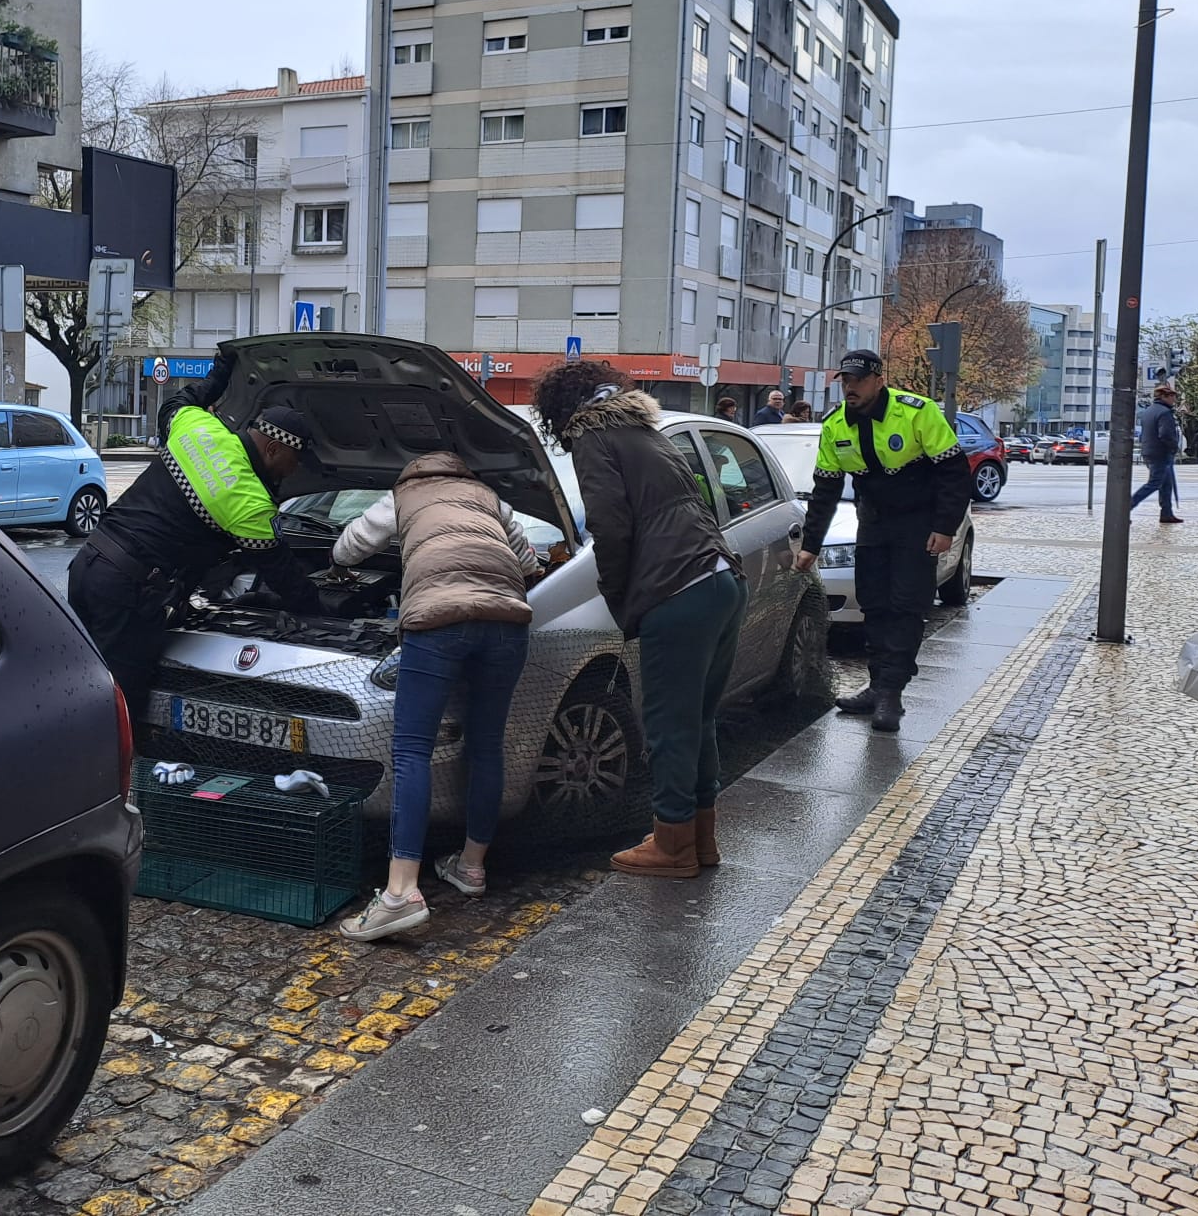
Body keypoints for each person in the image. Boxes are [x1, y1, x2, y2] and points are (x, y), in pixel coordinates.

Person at [531, 360, 746, 877]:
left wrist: (618, 594)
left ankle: (672, 847)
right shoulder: (645, 433)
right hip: (721, 578)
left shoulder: (592, 438)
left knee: (669, 725)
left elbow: (609, 524)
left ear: (561, 411)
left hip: (678, 590)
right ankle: (698, 838)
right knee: (697, 720)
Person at [332, 453, 541, 941]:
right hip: (508, 623)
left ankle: (400, 892)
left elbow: (349, 548)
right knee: (486, 743)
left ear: (411, 474)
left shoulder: (404, 496)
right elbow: (528, 561)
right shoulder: (490, 499)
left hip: (437, 622)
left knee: (411, 750)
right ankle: (470, 867)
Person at [69, 351, 321, 717]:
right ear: (273, 448)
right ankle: (117, 773)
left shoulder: (200, 428)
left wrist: (219, 375)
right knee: (120, 704)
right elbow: (285, 576)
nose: (296, 470)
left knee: (79, 681)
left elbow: (178, 402)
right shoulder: (249, 501)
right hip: (127, 591)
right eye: (295, 460)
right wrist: (326, 612)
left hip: (88, 565)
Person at [794, 349, 973, 734]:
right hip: (873, 523)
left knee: (905, 607)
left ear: (878, 380)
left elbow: (955, 473)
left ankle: (891, 691)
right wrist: (811, 545)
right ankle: (877, 685)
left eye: (857, 380)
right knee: (873, 605)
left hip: (917, 523)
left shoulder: (916, 411)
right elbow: (825, 490)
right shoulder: (836, 425)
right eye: (845, 381)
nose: (850, 388)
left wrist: (945, 528)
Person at [1131, 381, 1185, 523]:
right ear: (1164, 397)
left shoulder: (1149, 411)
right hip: (1161, 453)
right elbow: (1165, 434)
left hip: (1150, 451)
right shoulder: (1165, 413)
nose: (1174, 399)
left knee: (1166, 484)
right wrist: (1174, 447)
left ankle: (1166, 513)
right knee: (1154, 483)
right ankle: (1127, 507)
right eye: (1172, 396)